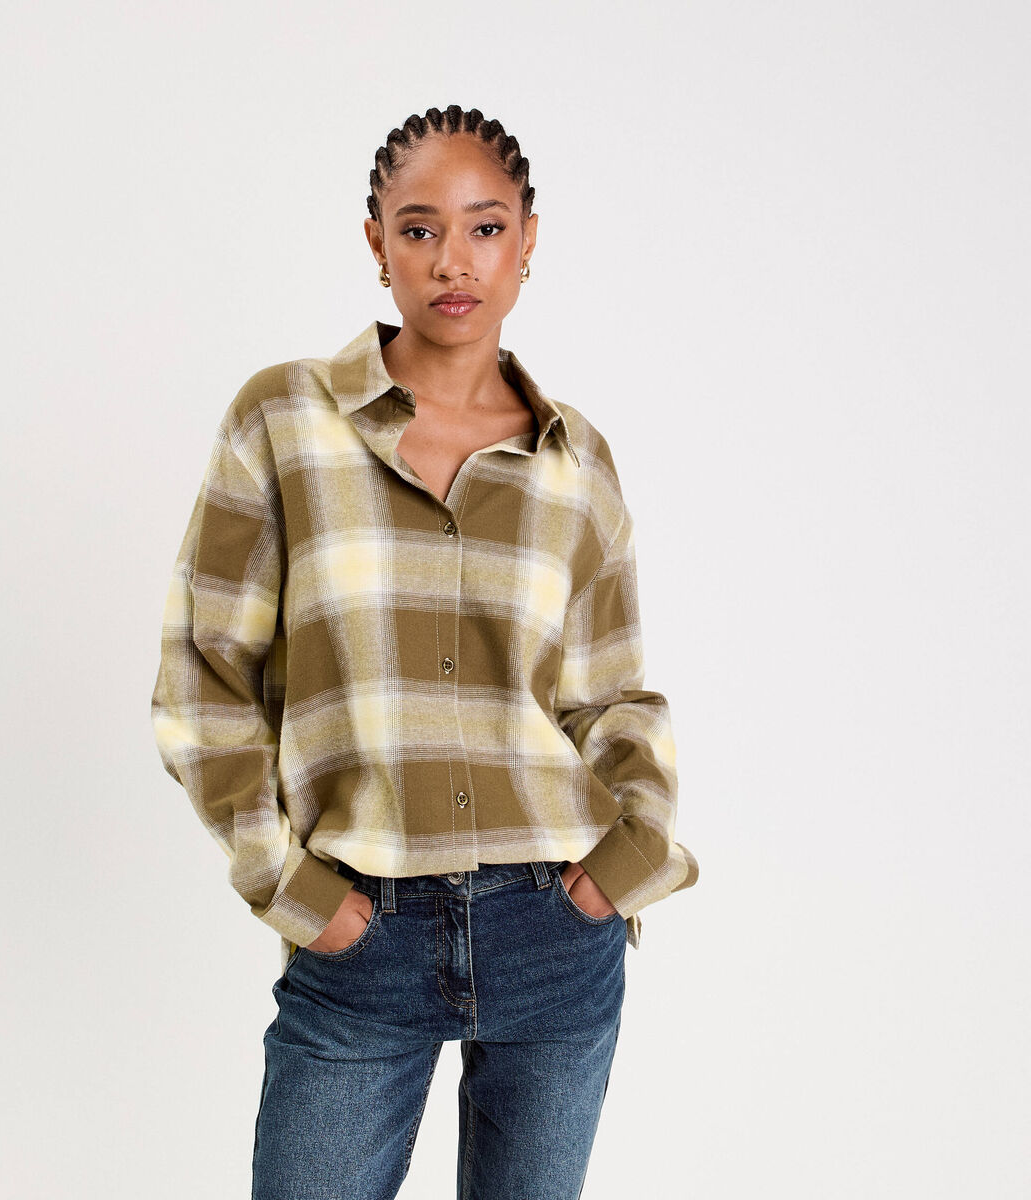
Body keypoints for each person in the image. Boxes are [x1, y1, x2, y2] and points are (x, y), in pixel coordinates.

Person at [151, 103, 698, 1200]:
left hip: (556, 926)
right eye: (419, 228)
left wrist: (622, 866)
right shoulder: (284, 420)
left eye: (486, 227)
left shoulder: (576, 461)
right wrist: (291, 886)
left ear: (528, 241)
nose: (454, 260)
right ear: (377, 244)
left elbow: (612, 697)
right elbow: (205, 677)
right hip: (364, 930)